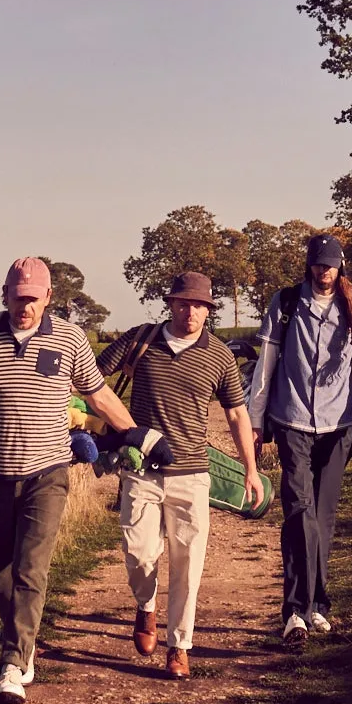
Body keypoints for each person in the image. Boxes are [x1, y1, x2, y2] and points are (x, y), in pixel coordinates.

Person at [0, 256, 137, 704]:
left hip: (46, 474)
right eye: (19, 298)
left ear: (49, 297)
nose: (26, 307)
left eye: (34, 299)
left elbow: (98, 394)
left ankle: (12, 665)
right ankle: (24, 641)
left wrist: (136, 435)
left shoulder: (71, 339)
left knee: (31, 569)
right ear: (5, 294)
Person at [96, 271, 263, 680]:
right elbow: (91, 379)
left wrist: (251, 470)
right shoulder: (142, 339)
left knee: (188, 563)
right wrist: (111, 428)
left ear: (209, 310)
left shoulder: (220, 355)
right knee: (138, 552)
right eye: (184, 303)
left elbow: (238, 414)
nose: (192, 312)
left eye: (200, 306)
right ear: (170, 304)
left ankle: (179, 646)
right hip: (141, 470)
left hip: (192, 474)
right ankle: (146, 607)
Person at [244, 234, 352, 647]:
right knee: (299, 512)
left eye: (331, 264)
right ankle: (295, 613)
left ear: (341, 265)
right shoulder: (285, 304)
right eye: (318, 264)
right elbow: (265, 368)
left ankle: (319, 605)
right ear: (309, 265)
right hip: (291, 422)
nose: (324, 271)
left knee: (322, 517)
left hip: (339, 425)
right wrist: (255, 422)